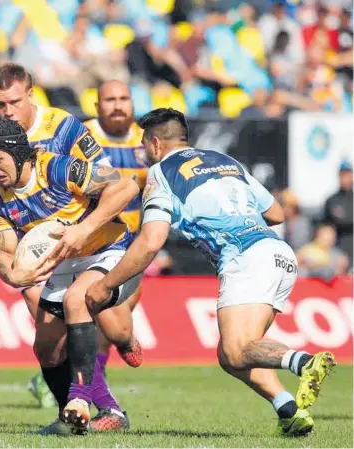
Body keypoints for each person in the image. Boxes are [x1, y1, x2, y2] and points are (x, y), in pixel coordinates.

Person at [85, 108, 337, 437]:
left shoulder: (162, 172)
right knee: (233, 354)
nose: (145, 154)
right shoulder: (224, 160)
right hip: (277, 254)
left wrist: (107, 284)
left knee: (237, 349)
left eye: (145, 146)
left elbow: (150, 243)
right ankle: (288, 410)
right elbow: (274, 212)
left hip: (245, 259)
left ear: (156, 144)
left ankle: (305, 363)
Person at [0, 118, 140, 435]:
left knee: (77, 301)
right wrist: (14, 275)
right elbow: (5, 254)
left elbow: (127, 186)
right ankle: (71, 418)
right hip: (68, 264)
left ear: (15, 152)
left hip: (111, 251)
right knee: (46, 348)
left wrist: (84, 229)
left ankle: (86, 401)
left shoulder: (58, 169)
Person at [84, 80, 147, 370]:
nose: (118, 105)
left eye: (124, 98)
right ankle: (82, 377)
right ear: (97, 106)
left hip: (131, 248)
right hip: (92, 245)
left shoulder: (147, 141)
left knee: (115, 318)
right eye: (110, 99)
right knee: (106, 317)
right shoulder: (83, 136)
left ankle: (89, 374)